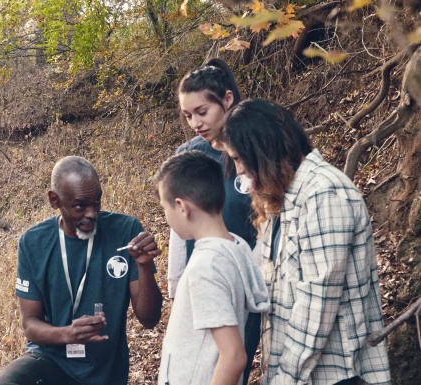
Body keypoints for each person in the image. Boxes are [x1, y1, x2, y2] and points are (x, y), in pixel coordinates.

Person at [222, 99, 391, 385]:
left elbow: (317, 304)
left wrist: (284, 379)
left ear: (264, 150)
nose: (238, 170)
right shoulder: (284, 198)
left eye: (239, 158)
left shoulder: (324, 193)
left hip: (340, 375)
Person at [0, 155, 163, 385]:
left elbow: (149, 319)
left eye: (97, 202)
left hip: (104, 372)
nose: (92, 213)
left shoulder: (125, 231)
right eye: (80, 205)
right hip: (50, 361)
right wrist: (68, 334)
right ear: (55, 200)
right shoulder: (34, 243)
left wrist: (143, 266)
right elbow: (30, 324)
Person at [169, 57, 260, 385]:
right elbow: (179, 227)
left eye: (201, 112)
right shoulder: (191, 154)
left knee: (233, 364)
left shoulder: (254, 152)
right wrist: (177, 286)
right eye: (188, 115)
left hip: (244, 283)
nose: (195, 122)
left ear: (227, 100)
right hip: (203, 282)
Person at [155, 150, 270, 385]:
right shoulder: (236, 247)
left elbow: (234, 356)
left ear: (181, 206)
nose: (166, 217)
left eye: (164, 209)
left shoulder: (206, 267)